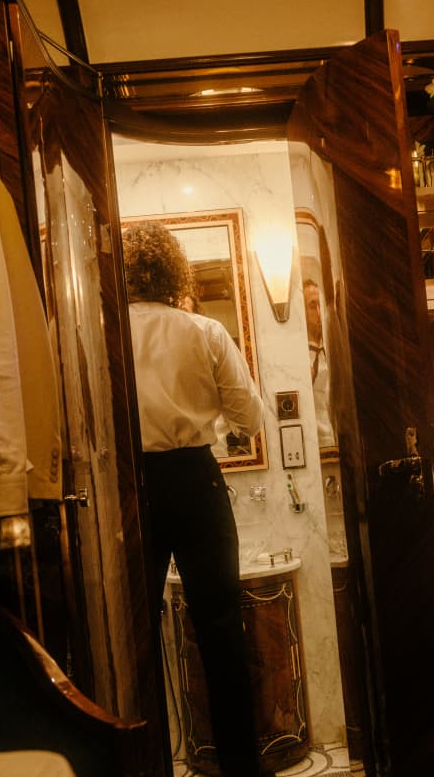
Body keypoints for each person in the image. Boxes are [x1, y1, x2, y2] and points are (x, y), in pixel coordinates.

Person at [122, 222, 265, 777]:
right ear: (172, 272)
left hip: (131, 488)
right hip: (196, 481)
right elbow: (250, 419)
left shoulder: (103, 333)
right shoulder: (206, 331)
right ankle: (240, 769)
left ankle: (145, 762)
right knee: (222, 630)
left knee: (133, 637)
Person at [303, 278, 335, 447]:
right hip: (314, 442)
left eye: (320, 304)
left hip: (336, 438)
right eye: (312, 305)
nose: (318, 311)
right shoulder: (297, 355)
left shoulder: (332, 347)